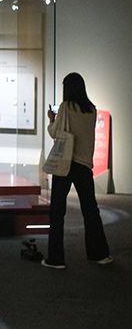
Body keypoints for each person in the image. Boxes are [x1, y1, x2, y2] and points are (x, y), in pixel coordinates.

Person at [42, 72, 112, 269]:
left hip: (65, 164)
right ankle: (99, 254)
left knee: (57, 212)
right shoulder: (92, 110)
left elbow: (56, 133)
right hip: (84, 165)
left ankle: (56, 258)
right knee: (90, 210)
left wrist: (51, 119)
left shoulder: (66, 107)